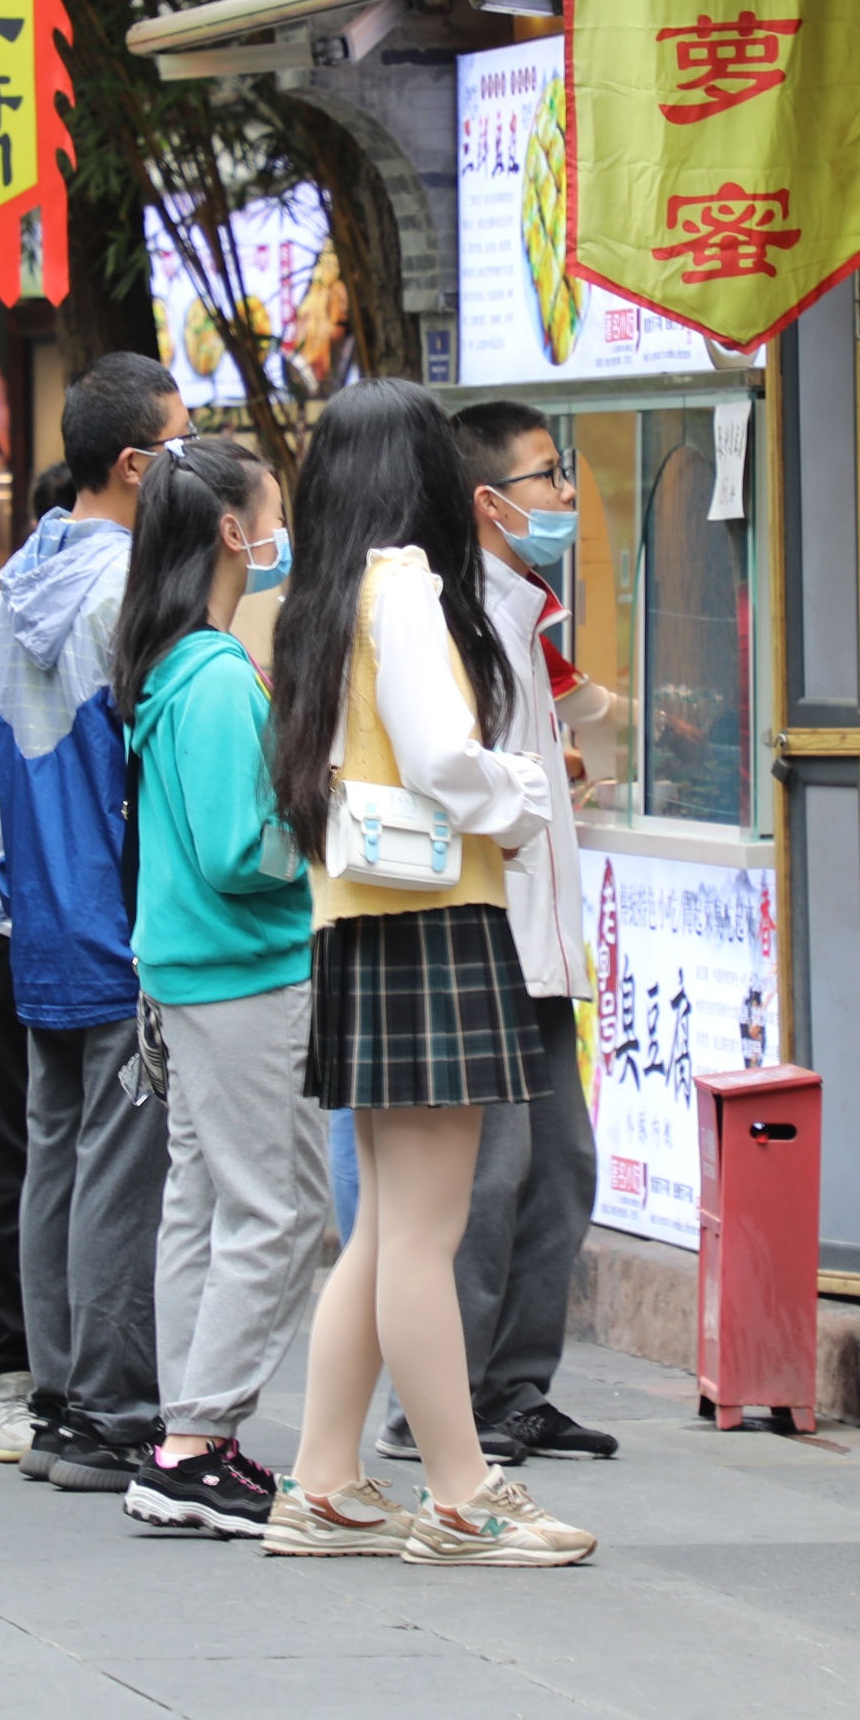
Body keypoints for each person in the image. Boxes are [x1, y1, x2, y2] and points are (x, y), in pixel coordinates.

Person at [256, 379, 590, 1567]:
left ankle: (323, 1482)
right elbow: (446, 759)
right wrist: (525, 791)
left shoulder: (321, 596)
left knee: (384, 1231)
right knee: (421, 1233)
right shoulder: (400, 587)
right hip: (434, 924)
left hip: (360, 925)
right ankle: (459, 1495)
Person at [375, 402, 616, 1469]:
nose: (565, 494)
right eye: (546, 475)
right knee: (485, 1181)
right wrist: (525, 795)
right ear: (488, 501)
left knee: (559, 1167)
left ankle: (514, 1389)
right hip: (481, 941)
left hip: (539, 949)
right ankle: (436, 1405)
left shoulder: (518, 615)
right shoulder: (456, 620)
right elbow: (450, 775)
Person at [0, 354, 188, 1495]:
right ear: (135, 464)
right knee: (117, 1169)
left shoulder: (25, 578)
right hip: (112, 912)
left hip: (39, 916)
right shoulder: (126, 593)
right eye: (181, 443)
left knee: (55, 1158)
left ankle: (60, 1401)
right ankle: (110, 1410)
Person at [112, 437, 319, 1539]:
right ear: (233, 533)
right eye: (271, 512)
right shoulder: (218, 678)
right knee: (277, 1209)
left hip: (186, 974)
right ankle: (195, 1443)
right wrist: (323, 819)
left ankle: (184, 1438)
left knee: (201, 1205)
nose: (281, 532)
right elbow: (245, 852)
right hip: (246, 971)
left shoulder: (168, 668)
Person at [0, 456, 74, 1462]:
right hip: (25, 919)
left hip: (66, 918)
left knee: (64, 1150)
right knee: (20, 1148)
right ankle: (16, 1368)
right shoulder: (21, 612)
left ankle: (70, 1369)